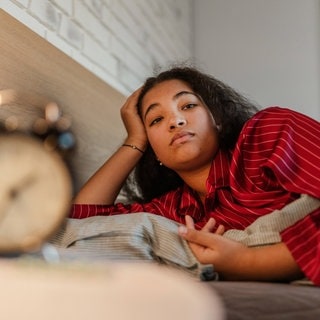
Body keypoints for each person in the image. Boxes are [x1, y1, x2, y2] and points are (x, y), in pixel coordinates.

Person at [71, 66, 320, 285]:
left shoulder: (268, 133)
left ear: (217, 119)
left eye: (188, 106)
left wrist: (248, 260)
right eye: (156, 119)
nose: (175, 121)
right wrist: (134, 141)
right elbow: (83, 224)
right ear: (153, 149)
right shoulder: (175, 210)